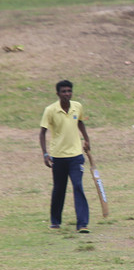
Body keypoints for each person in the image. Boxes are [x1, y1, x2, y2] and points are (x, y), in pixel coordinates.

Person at [39, 79, 91, 233]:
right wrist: (45, 154)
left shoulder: (77, 107)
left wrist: (87, 139)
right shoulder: (50, 110)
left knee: (77, 186)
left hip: (76, 156)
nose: (67, 94)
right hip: (58, 157)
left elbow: (80, 122)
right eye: (64, 91)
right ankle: (55, 221)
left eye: (69, 91)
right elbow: (42, 133)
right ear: (58, 93)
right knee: (59, 189)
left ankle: (82, 224)